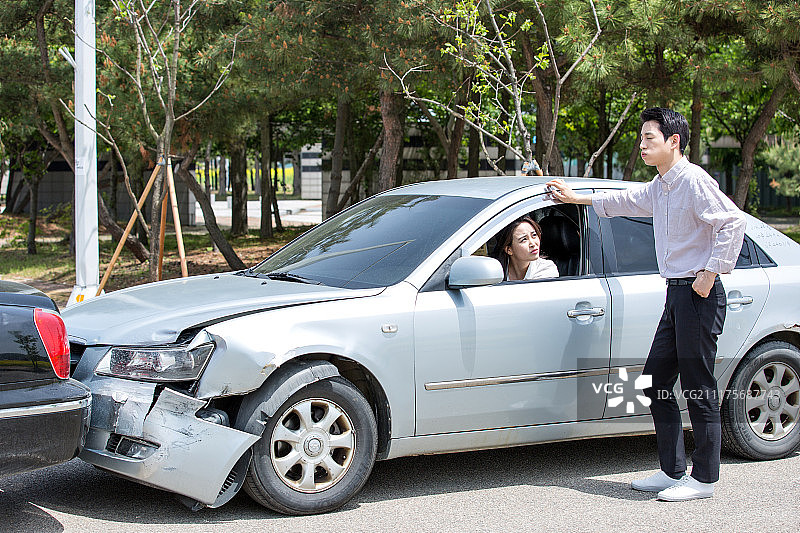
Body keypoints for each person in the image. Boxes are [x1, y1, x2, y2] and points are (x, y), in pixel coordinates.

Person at [546, 107, 746, 502]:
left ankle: (704, 479)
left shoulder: (693, 181)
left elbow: (732, 222)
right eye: (641, 138)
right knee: (655, 382)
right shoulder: (662, 185)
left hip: (698, 294)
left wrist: (709, 274)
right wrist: (577, 197)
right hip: (677, 294)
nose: (642, 145)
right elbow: (627, 199)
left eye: (649, 138)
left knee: (698, 386)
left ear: (673, 141)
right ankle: (673, 471)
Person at [490, 216, 559, 281]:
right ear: (509, 250)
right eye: (524, 239)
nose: (533, 244)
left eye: (534, 235)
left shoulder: (546, 268)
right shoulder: (496, 270)